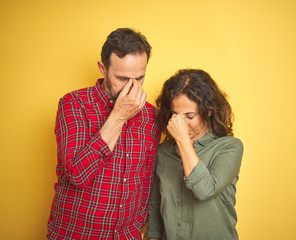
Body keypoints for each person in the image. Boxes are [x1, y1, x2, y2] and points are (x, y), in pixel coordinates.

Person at [47, 28, 160, 239]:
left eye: (140, 78)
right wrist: (118, 116)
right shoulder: (74, 105)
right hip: (76, 234)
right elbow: (77, 174)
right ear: (103, 68)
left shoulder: (151, 117)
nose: (132, 87)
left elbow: (145, 181)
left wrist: (137, 227)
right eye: (122, 78)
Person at [146, 69, 243, 240]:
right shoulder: (163, 152)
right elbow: (155, 204)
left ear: (209, 111)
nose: (180, 123)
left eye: (189, 116)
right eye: (175, 115)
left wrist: (183, 140)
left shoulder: (229, 147)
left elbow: (204, 190)